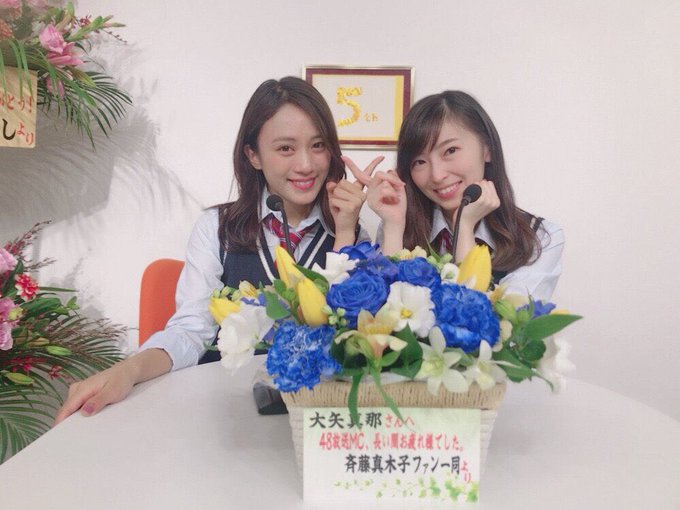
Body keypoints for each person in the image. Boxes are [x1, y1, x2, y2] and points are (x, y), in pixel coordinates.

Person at [55, 77, 382, 424]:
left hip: (317, 412)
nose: (305, 164)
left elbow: (346, 337)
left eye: (318, 146)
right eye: (286, 148)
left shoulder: (349, 230)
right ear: (253, 155)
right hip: (227, 412)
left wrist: (344, 231)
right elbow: (190, 330)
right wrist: (130, 369)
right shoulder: (217, 229)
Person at [350, 90, 563, 301]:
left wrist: (465, 227)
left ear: (487, 149)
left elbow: (486, 316)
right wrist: (394, 225)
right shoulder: (401, 226)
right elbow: (386, 310)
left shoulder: (539, 238)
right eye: (420, 162)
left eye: (450, 151)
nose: (437, 175)